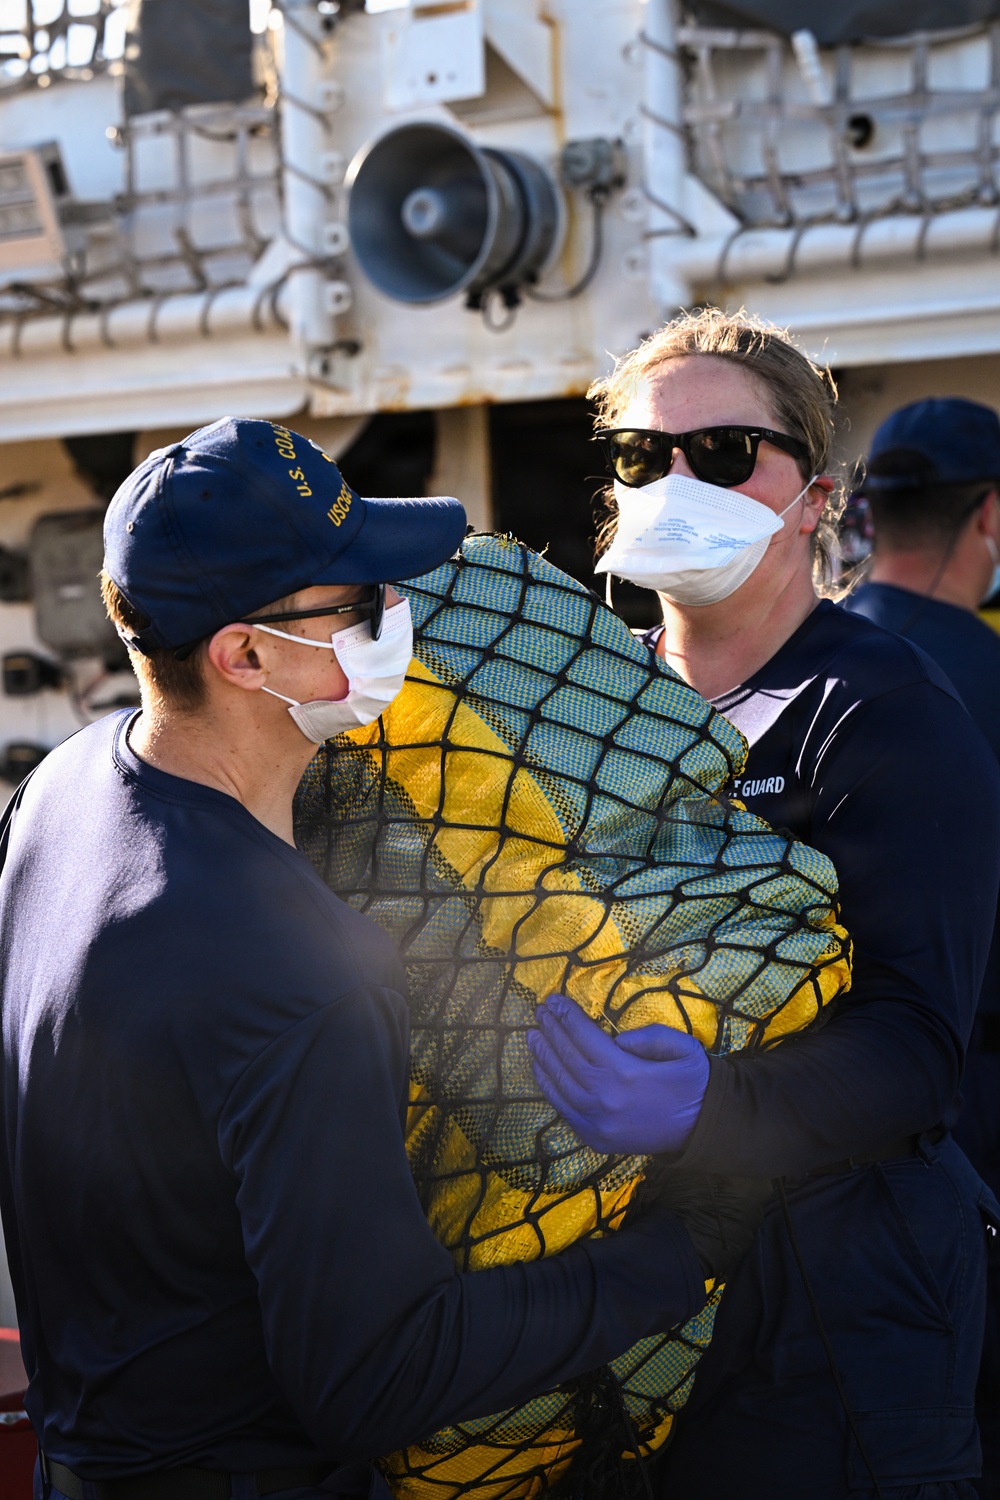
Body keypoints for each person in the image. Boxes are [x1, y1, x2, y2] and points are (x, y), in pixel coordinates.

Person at [0, 418, 765, 1500]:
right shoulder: (299, 968)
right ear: (245, 655)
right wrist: (682, 1247)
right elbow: (377, 1373)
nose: (396, 616)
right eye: (358, 603)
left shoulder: (60, 799)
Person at [527, 311, 1000, 1498]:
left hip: (834, 1304)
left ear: (814, 498)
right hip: (611, 1288)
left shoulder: (885, 714)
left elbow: (914, 1049)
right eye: (642, 457)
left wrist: (708, 1105)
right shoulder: (587, 700)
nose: (677, 477)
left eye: (726, 453)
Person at [843, 397, 1000, 1499]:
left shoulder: (811, 662)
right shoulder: (978, 675)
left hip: (803, 1113)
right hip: (972, 1100)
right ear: (988, 516)